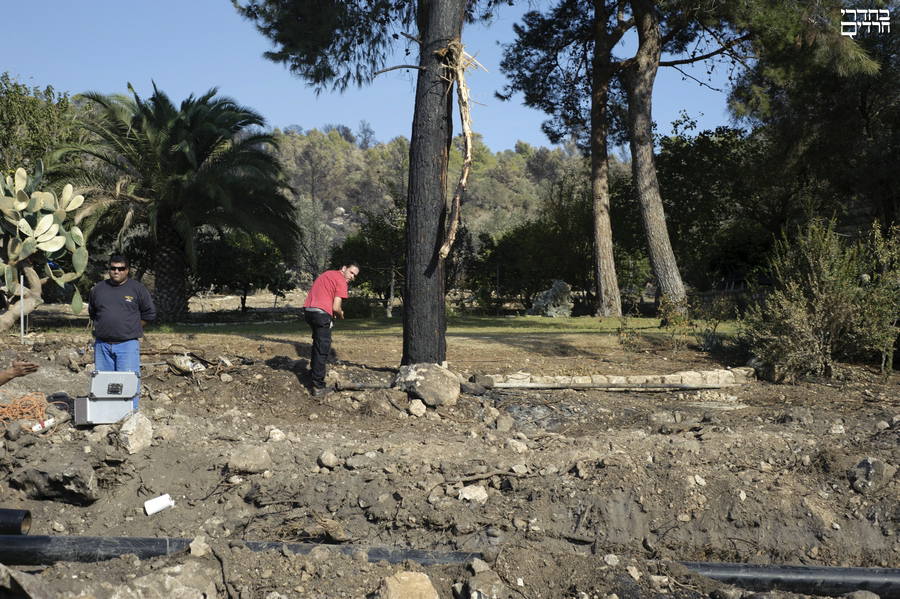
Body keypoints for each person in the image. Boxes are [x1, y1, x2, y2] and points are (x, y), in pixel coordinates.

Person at [88, 254, 156, 409]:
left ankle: (130, 416)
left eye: (120, 268)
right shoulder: (98, 289)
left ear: (127, 270)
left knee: (129, 384)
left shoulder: (137, 289)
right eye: (113, 268)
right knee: (104, 384)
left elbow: (149, 314)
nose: (116, 271)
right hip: (102, 345)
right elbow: (93, 313)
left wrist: (133, 328)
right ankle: (106, 416)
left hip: (128, 345)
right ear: (109, 269)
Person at [303, 261, 359, 396]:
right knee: (323, 348)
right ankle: (318, 385)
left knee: (317, 344)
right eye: (351, 272)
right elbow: (336, 307)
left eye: (355, 275)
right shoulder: (341, 281)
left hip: (309, 311)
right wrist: (341, 315)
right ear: (344, 268)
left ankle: (313, 374)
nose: (352, 277)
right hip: (322, 314)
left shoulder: (328, 274)